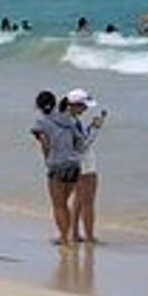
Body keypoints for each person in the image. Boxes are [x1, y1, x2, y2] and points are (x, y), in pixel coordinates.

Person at [30, 90, 100, 246]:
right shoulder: (68, 121)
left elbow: (44, 143)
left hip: (57, 165)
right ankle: (72, 235)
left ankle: (64, 238)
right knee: (69, 202)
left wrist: (48, 160)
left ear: (37, 106)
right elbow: (81, 144)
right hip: (74, 166)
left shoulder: (42, 122)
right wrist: (94, 130)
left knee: (59, 205)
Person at [64, 89, 105, 244]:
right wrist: (95, 129)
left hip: (72, 162)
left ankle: (74, 234)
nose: (86, 109)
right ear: (74, 105)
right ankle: (89, 236)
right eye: (83, 106)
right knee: (88, 201)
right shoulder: (72, 122)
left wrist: (90, 128)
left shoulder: (65, 119)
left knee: (79, 199)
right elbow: (83, 145)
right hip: (83, 163)